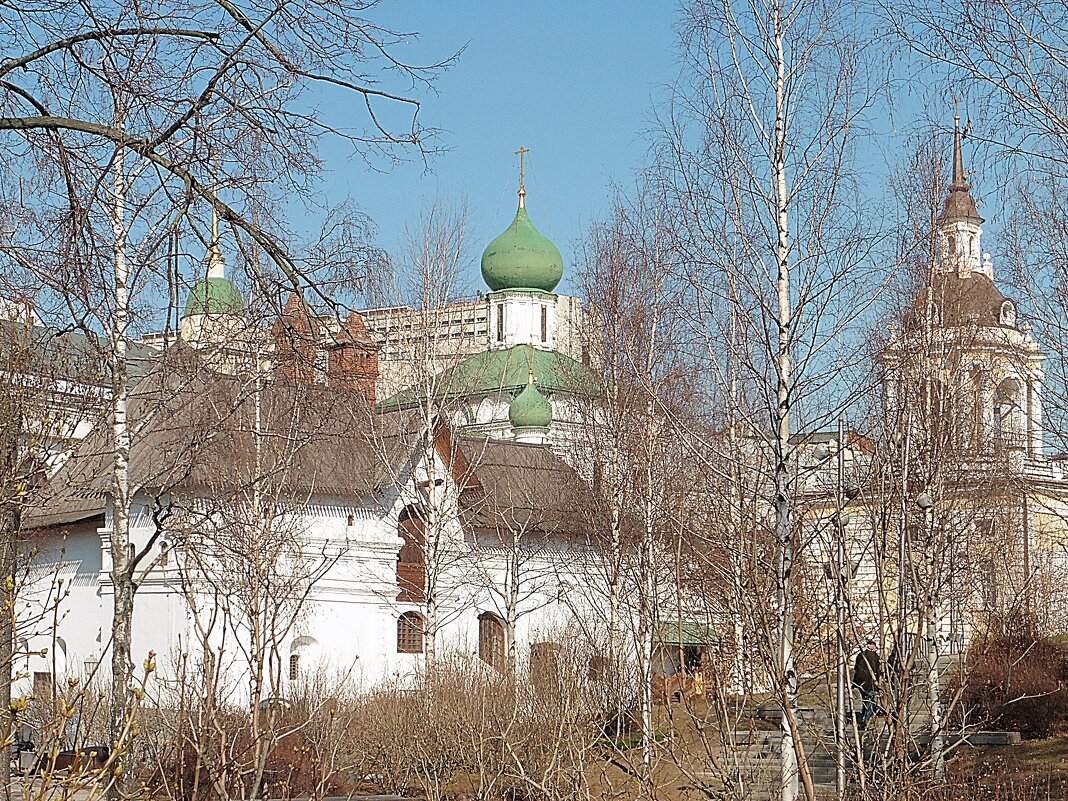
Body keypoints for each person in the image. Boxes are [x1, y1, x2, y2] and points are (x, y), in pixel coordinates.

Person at [852, 640, 881, 731]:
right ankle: (866, 720)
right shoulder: (873, 657)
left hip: (861, 683)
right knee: (870, 701)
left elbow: (856, 668)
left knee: (866, 700)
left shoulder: (861, 655)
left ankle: (864, 719)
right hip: (869, 682)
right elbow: (875, 670)